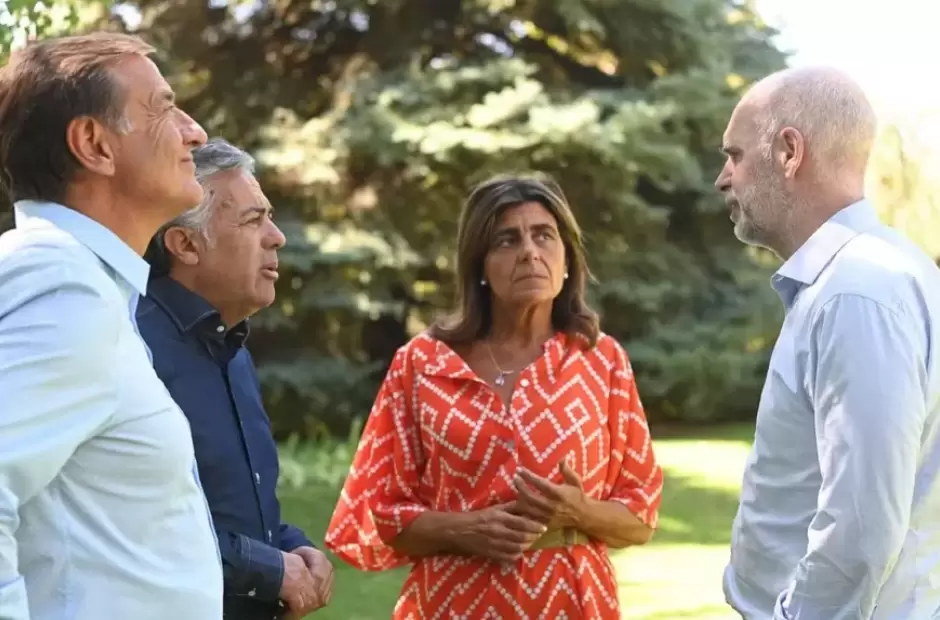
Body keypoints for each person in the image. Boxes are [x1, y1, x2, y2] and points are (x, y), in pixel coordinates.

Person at [325, 173, 663, 617]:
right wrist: (464, 528)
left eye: (544, 235)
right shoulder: (423, 363)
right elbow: (382, 515)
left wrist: (579, 511)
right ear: (479, 265)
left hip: (572, 601)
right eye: (507, 240)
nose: (529, 251)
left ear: (566, 258)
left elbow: (639, 518)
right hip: (451, 603)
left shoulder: (600, 361)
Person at [0, 33, 223, 619]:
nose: (194, 132)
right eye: (163, 107)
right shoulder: (61, 283)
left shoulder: (83, 282)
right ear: (93, 144)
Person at [716, 66, 940, 619]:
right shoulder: (863, 277)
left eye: (735, 155)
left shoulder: (856, 291)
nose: (723, 178)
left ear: (789, 152)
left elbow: (860, 526)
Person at [138, 137, 334, 620]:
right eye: (253, 220)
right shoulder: (131, 346)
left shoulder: (231, 348)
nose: (277, 237)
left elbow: (225, 506)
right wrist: (269, 570)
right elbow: (133, 524)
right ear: (184, 244)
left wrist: (293, 547)